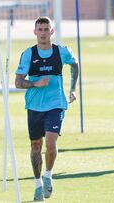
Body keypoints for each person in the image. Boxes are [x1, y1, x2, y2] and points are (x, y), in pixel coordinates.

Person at [15, 16, 79, 201]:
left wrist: (73, 88)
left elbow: (74, 64)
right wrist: (36, 84)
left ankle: (48, 175)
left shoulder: (61, 51)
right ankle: (37, 184)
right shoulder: (28, 54)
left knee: (51, 143)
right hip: (34, 106)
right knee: (36, 146)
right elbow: (18, 83)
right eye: (39, 29)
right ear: (35, 32)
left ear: (52, 32)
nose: (43, 33)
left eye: (46, 29)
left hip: (56, 104)